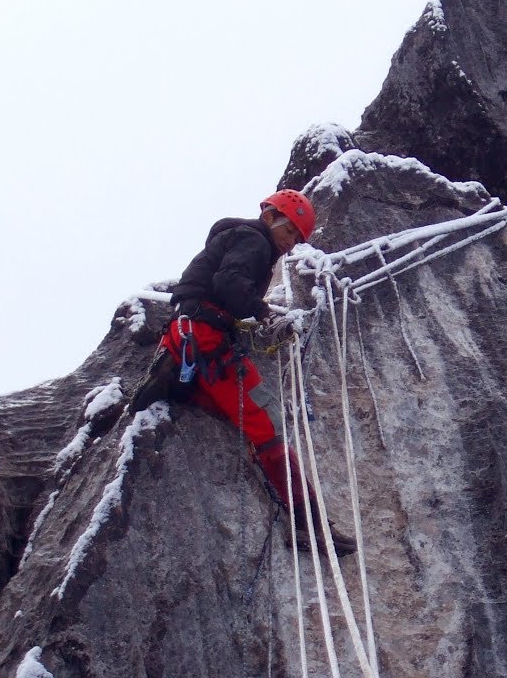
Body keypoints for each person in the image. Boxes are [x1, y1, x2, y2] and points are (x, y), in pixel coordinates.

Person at [127, 188, 357, 557]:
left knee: (230, 412)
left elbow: (220, 286)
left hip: (186, 335)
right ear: (270, 218)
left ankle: (176, 378)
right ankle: (308, 522)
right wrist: (264, 313)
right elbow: (229, 284)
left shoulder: (238, 239)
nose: (291, 243)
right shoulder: (254, 240)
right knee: (265, 422)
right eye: (290, 232)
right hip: (207, 340)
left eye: (298, 238)